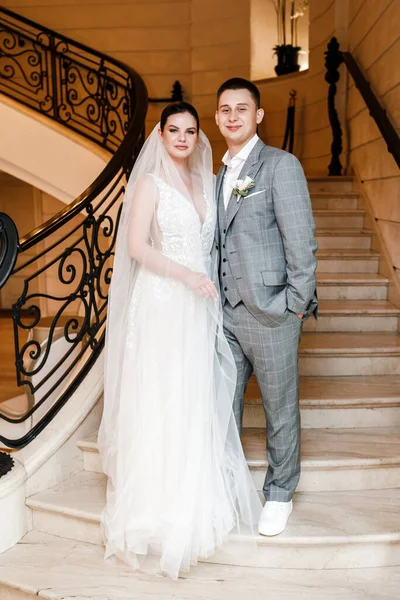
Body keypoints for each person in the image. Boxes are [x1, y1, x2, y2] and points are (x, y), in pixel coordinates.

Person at [97, 101, 262, 581]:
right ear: (162, 134)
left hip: (198, 305)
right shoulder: (149, 184)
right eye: (175, 130)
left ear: (197, 136)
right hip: (163, 301)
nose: (184, 138)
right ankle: (155, 506)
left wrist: (204, 284)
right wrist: (186, 276)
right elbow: (135, 247)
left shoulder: (208, 184)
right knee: (160, 396)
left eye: (191, 130)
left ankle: (193, 495)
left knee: (193, 396)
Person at [215, 78, 318, 537]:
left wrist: (294, 307)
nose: (232, 115)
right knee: (222, 406)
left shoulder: (280, 165)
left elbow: (301, 242)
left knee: (279, 408)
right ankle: (224, 488)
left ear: (257, 115)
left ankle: (279, 492)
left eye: (242, 108)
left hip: (272, 312)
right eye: (224, 109)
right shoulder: (218, 175)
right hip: (224, 314)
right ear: (217, 118)